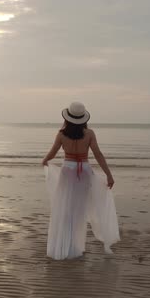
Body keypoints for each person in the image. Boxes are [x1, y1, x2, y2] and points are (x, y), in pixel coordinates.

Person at [41, 102, 120, 260]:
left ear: (67, 118)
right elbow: (98, 155)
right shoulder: (89, 134)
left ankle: (65, 246)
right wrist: (109, 175)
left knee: (65, 210)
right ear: (83, 119)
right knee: (79, 210)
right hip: (83, 172)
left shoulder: (61, 134)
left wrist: (45, 161)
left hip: (67, 171)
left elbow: (52, 153)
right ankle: (75, 247)